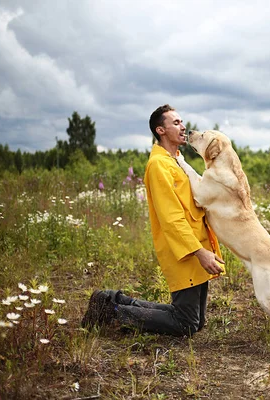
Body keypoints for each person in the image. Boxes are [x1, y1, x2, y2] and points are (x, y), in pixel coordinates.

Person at [81, 104, 225, 336]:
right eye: (176, 123)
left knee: (194, 323)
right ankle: (114, 310)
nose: (183, 126)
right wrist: (199, 252)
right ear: (160, 130)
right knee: (185, 324)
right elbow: (171, 218)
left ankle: (113, 299)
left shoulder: (177, 160)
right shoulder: (158, 165)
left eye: (182, 121)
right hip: (184, 249)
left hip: (197, 242)